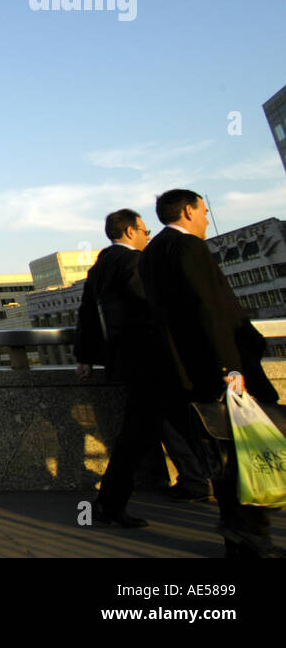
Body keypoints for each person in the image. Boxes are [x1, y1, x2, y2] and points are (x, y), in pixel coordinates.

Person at [138, 189, 282, 557]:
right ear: (188, 211)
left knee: (226, 460)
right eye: (204, 210)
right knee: (246, 455)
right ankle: (250, 539)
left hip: (184, 374)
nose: (206, 217)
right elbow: (208, 309)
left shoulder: (152, 252)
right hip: (218, 372)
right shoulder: (189, 248)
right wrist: (230, 367)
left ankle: (241, 538)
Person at [74, 210, 210, 529]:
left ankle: (190, 482)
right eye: (145, 230)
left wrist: (85, 356)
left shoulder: (101, 265)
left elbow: (87, 313)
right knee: (183, 427)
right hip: (155, 362)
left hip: (130, 364)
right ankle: (227, 491)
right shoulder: (134, 263)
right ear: (131, 230)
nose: (148, 236)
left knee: (146, 431)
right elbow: (153, 309)